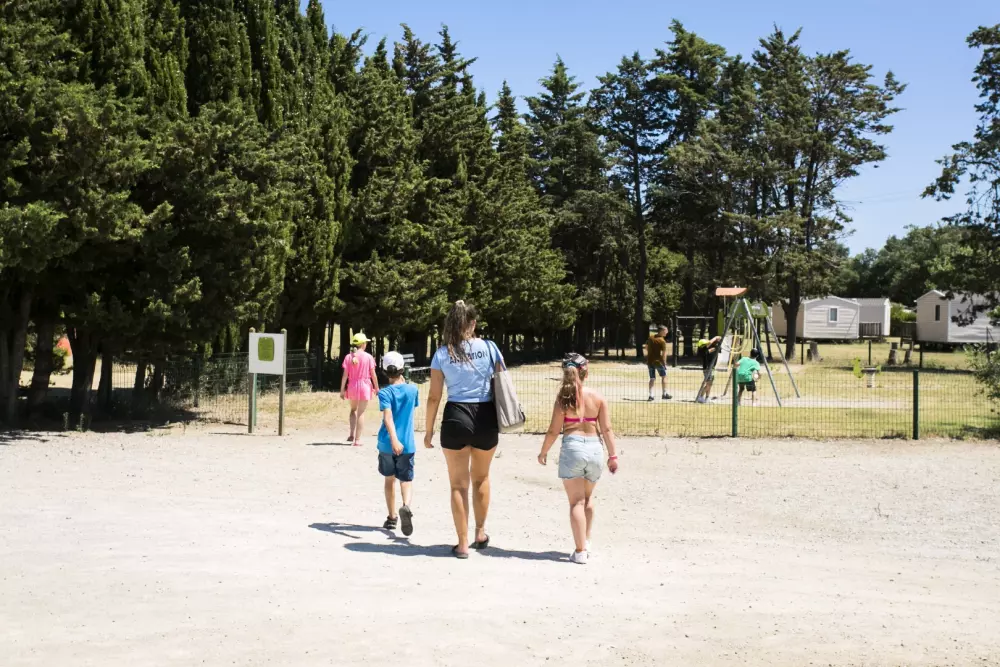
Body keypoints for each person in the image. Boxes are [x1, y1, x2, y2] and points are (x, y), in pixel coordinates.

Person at [424, 300, 504, 559]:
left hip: (455, 416)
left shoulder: (441, 353)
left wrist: (428, 430)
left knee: (458, 485)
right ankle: (480, 533)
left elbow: (434, 396)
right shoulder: (490, 347)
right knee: (481, 478)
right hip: (485, 417)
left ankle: (462, 544)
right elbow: (502, 382)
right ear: (473, 324)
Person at [538, 353, 618, 565]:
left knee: (576, 502)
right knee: (588, 499)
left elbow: (554, 430)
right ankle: (586, 541)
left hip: (573, 448)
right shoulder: (598, 397)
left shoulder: (563, 399)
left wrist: (543, 452)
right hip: (594, 448)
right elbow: (607, 429)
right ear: (585, 372)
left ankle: (580, 551)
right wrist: (613, 455)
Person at [376, 351, 421, 535]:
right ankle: (406, 506)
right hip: (407, 444)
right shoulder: (413, 390)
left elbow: (388, 418)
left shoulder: (384, 393)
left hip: (387, 444)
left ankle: (392, 517)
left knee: (389, 480)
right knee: (406, 480)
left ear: (385, 371)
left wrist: (394, 439)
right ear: (403, 369)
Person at [340, 332, 379, 446]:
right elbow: (373, 375)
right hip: (365, 386)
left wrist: (342, 390)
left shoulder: (348, 357)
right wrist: (377, 388)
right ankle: (357, 440)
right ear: (362, 344)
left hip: (352, 385)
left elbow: (345, 375)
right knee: (361, 413)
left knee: (353, 410)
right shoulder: (368, 357)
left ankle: (351, 434)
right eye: (365, 342)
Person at [645, 325, 671, 401]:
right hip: (658, 362)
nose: (667, 332)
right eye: (666, 331)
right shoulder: (662, 341)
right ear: (662, 331)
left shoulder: (650, 338)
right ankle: (664, 394)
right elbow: (664, 353)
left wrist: (651, 354)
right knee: (664, 376)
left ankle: (651, 395)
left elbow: (646, 347)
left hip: (650, 361)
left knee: (652, 378)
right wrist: (664, 363)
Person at [695, 336, 723, 404]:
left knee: (709, 384)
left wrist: (718, 340)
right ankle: (701, 396)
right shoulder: (703, 350)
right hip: (707, 368)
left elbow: (718, 348)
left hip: (712, 368)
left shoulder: (714, 347)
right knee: (709, 384)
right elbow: (709, 343)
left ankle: (706, 398)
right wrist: (715, 337)